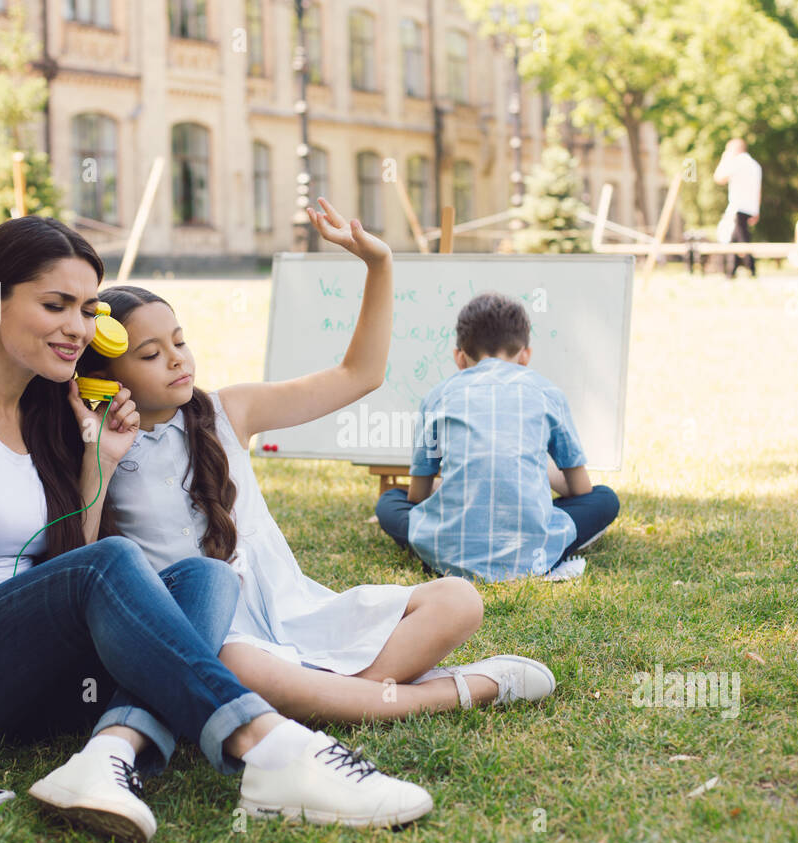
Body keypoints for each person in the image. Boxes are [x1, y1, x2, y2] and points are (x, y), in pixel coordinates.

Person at [0, 215, 434, 843]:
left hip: (25, 681)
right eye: (56, 305)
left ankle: (107, 758)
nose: (77, 328)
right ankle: (271, 749)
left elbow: (74, 563)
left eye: (86, 309)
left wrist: (103, 461)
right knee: (114, 564)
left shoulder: (52, 414)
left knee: (204, 576)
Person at [76, 198, 556, 723]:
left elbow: (360, 374)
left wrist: (379, 265)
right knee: (246, 671)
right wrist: (98, 458)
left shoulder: (227, 411)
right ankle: (463, 689)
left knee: (459, 600)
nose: (177, 359)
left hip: (295, 613)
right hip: (216, 637)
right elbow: (84, 563)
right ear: (104, 375)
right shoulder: (94, 446)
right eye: (149, 354)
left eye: (180, 341)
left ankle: (343, 697)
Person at [375, 291, 620, 583]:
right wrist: (538, 470)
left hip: (447, 551)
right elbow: (581, 490)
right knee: (604, 499)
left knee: (390, 501)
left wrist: (446, 484)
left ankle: (445, 538)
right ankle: (543, 544)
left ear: (460, 357)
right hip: (533, 551)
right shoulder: (547, 393)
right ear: (525, 355)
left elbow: (416, 496)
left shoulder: (437, 396)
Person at [713, 137, 762, 278]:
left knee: (742, 241)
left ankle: (751, 271)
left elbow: (719, 177)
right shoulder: (755, 165)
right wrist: (756, 211)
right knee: (734, 240)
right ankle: (731, 272)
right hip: (749, 208)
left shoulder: (737, 162)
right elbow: (759, 190)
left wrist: (724, 158)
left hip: (737, 207)